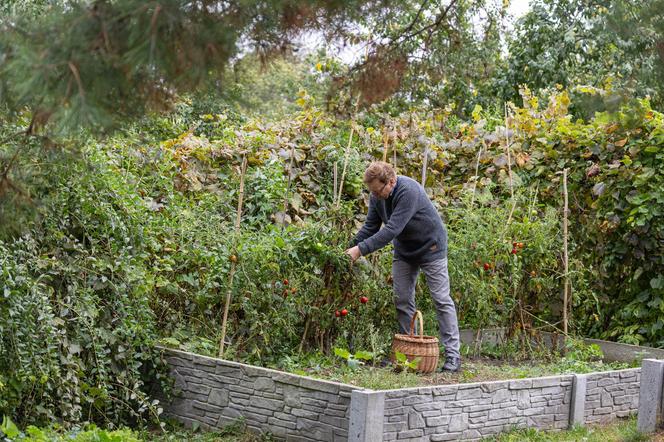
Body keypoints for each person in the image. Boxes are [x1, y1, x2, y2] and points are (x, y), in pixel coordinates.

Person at [345, 161, 461, 372]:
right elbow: (371, 227)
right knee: (402, 299)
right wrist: (347, 247)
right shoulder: (377, 195)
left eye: (378, 190)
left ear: (391, 181)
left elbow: (391, 229)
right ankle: (408, 355)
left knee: (441, 299)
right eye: (372, 191)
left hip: (431, 247)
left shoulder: (409, 191)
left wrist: (359, 251)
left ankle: (453, 356)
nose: (375, 195)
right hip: (405, 251)